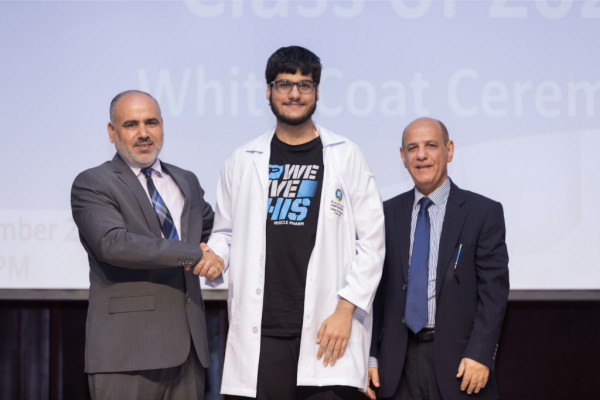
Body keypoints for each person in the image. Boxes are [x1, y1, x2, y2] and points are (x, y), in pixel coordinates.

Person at [206, 46, 385, 399]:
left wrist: (345, 309)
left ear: (317, 92)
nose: (294, 94)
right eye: (284, 84)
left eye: (304, 85)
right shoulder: (242, 161)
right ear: (268, 91)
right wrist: (214, 259)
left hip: (327, 330)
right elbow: (225, 234)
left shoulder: (346, 155)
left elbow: (372, 243)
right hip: (263, 333)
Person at [71, 90, 223, 399]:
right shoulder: (93, 182)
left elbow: (215, 230)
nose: (143, 133)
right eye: (131, 124)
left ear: (162, 126)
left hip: (189, 355)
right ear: (112, 132)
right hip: (127, 353)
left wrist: (218, 254)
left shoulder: (186, 180)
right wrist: (194, 254)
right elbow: (113, 244)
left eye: (151, 122)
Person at [367, 117, 509, 400]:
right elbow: (374, 293)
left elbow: (493, 293)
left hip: (461, 366)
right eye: (413, 148)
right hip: (396, 367)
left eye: (431, 145)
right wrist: (370, 355)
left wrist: (480, 353)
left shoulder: (482, 213)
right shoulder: (384, 214)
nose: (421, 155)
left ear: (449, 150)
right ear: (403, 157)